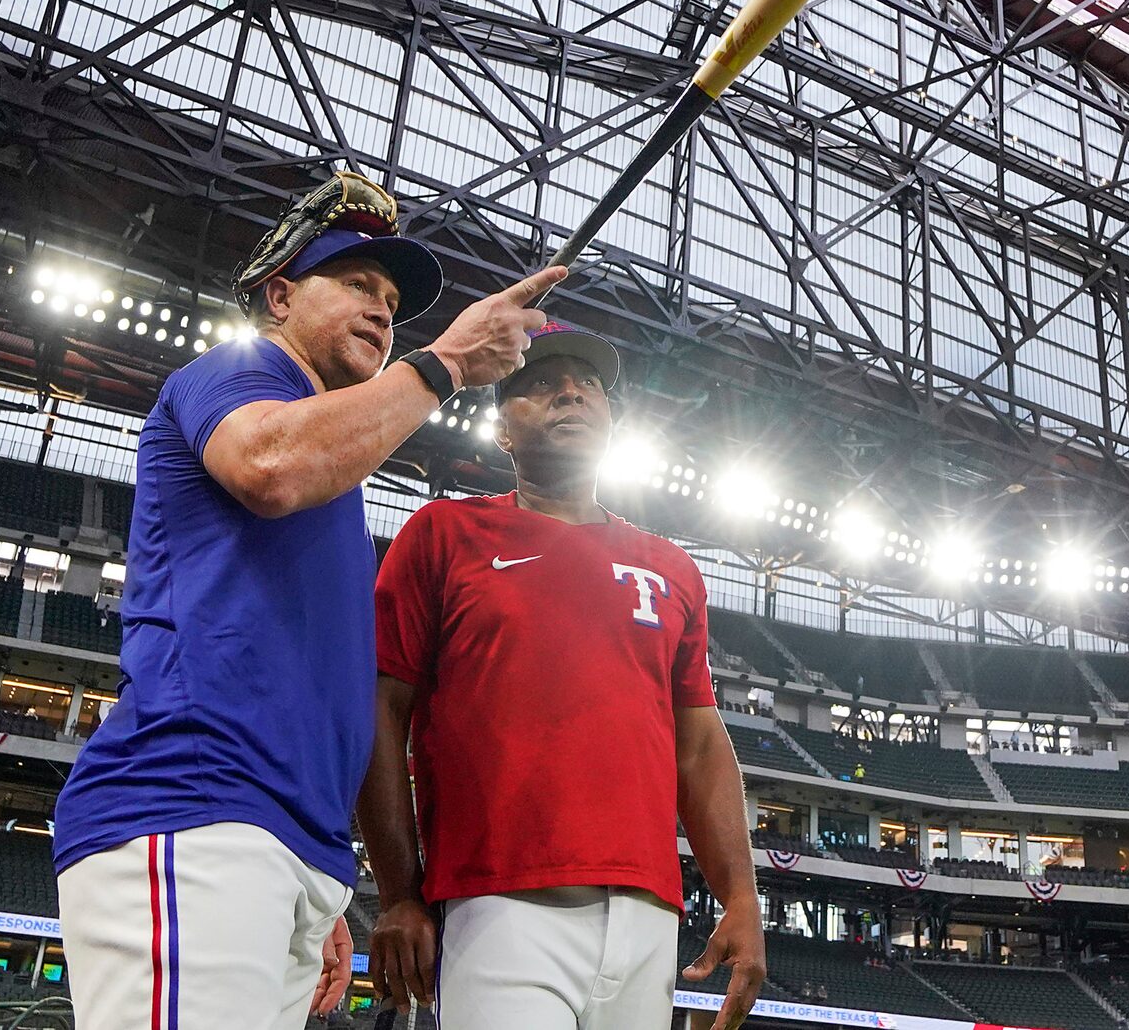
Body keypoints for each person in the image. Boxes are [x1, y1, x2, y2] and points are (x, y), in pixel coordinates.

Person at [50, 172, 565, 1030]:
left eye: (392, 300)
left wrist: (321, 875)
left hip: (288, 849)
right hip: (195, 811)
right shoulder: (236, 370)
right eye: (358, 284)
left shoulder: (340, 467)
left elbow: (332, 691)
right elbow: (269, 468)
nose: (382, 309)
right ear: (280, 295)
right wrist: (440, 366)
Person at [361, 320, 765, 1030]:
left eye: (588, 388)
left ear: (611, 423)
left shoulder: (672, 567)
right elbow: (378, 711)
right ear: (503, 432)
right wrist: (397, 890)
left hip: (647, 909)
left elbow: (699, 745)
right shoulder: (442, 534)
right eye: (539, 385)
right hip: (496, 899)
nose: (569, 396)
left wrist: (740, 896)